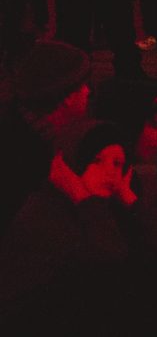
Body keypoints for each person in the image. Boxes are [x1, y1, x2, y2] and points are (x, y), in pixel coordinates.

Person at [0, 118, 157, 332]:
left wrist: (128, 196)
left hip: (88, 310)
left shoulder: (108, 206)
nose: (110, 172)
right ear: (71, 166)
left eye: (118, 164)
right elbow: (108, 263)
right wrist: (83, 197)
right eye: (97, 161)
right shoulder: (47, 210)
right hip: (36, 320)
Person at [1, 38, 93, 227]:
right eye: (83, 86)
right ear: (66, 95)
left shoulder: (24, 124)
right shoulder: (32, 153)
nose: (88, 92)